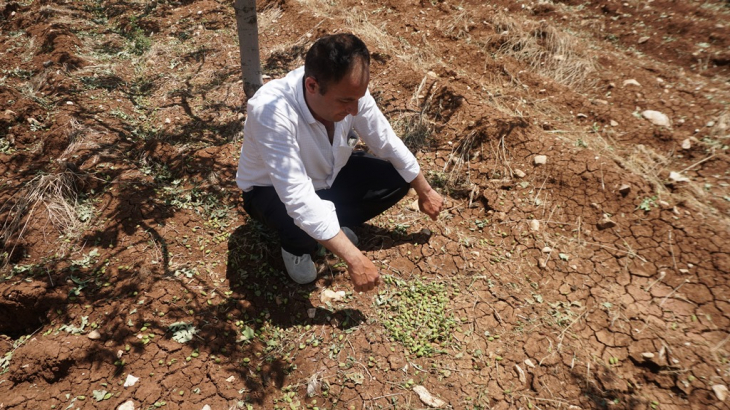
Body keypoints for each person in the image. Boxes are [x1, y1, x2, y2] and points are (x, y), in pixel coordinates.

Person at [236, 33, 443, 292]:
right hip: (268, 191)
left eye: (359, 98)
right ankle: (297, 248)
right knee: (297, 217)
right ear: (312, 86)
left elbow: (386, 141)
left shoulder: (350, 91)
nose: (355, 109)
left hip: (326, 176)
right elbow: (297, 197)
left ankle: (330, 232)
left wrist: (425, 190)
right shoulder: (270, 109)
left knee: (398, 178)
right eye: (346, 101)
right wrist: (354, 259)